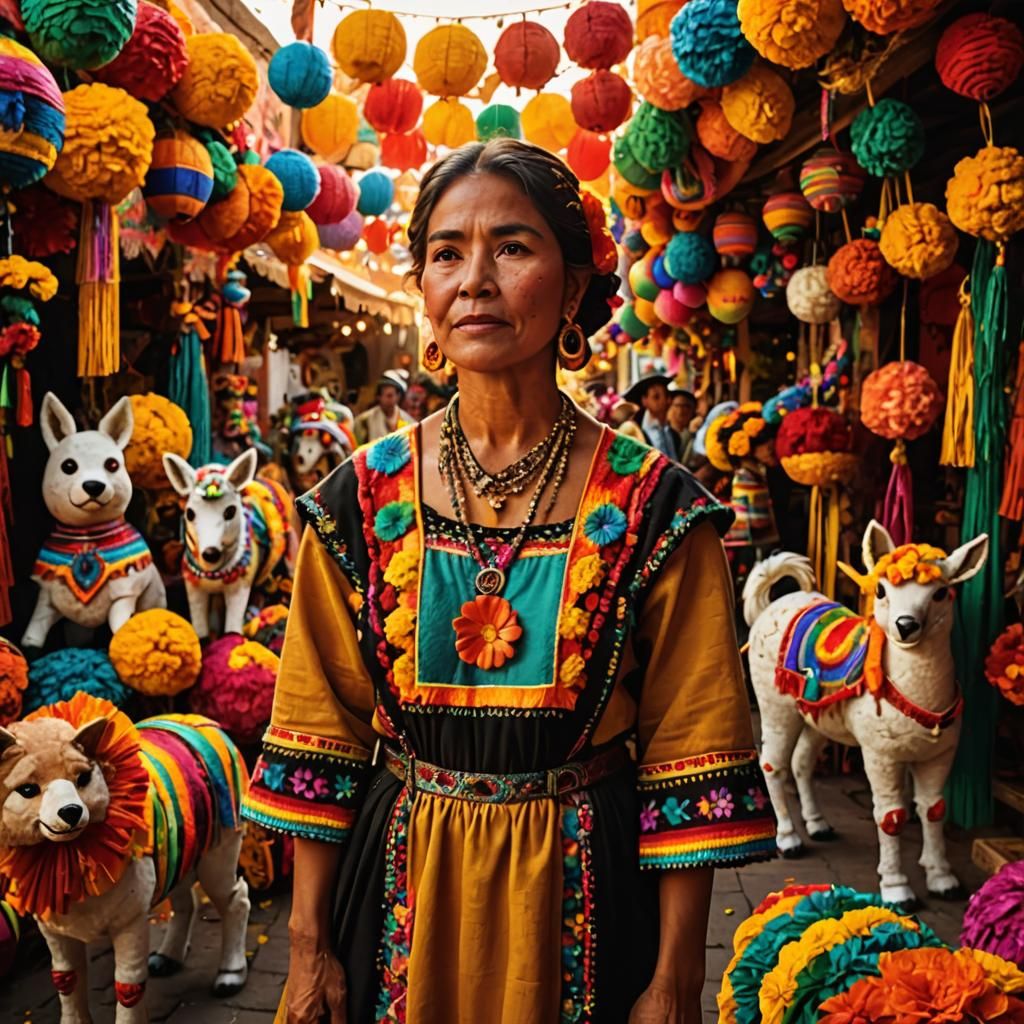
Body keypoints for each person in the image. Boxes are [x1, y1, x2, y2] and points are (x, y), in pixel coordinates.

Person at [242, 139, 775, 1024]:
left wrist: (678, 979)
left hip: (590, 896)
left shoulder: (655, 509)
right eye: (447, 252)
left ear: (572, 288)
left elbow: (692, 748)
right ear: (423, 290)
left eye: (513, 247)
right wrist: (306, 948)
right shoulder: (357, 498)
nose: (475, 280)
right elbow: (316, 738)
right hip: (395, 889)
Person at [624, 374, 679, 460]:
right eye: (656, 397)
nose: (665, 400)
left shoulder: (674, 434)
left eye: (667, 396)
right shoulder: (633, 431)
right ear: (644, 401)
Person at [352, 370, 408, 444]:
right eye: (386, 396)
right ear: (379, 397)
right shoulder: (363, 420)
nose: (389, 399)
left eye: (391, 395)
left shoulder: (408, 420)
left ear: (398, 396)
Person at [667, 386, 698, 466]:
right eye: (677, 405)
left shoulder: (697, 433)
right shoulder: (665, 434)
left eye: (686, 406)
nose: (681, 410)